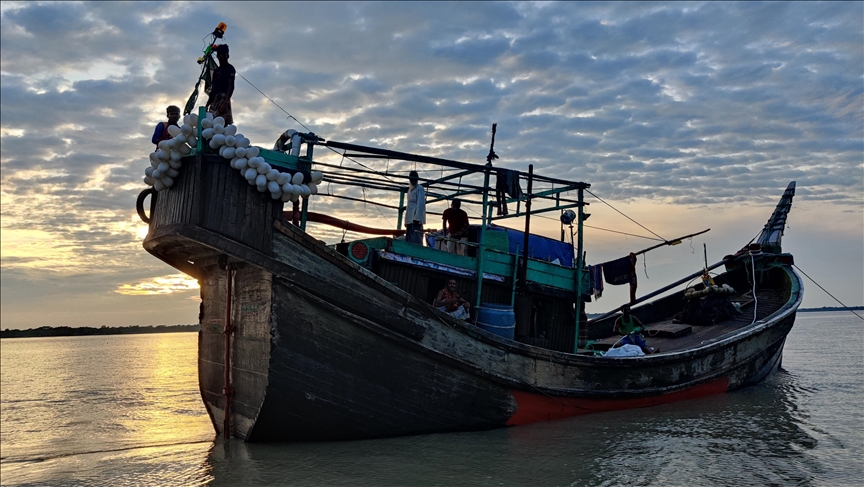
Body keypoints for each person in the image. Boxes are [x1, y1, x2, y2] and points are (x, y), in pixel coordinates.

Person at [206, 44, 235, 125]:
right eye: (219, 54)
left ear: (227, 56)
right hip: (215, 99)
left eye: (223, 54)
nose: (221, 56)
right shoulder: (216, 71)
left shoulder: (230, 68)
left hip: (224, 98)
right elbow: (213, 90)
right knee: (211, 122)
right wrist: (207, 104)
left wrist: (225, 103)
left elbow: (231, 86)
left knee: (223, 123)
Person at [404, 170, 426, 245]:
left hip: (415, 220)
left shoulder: (420, 188)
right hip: (409, 220)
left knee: (416, 241)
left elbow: (420, 204)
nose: (412, 180)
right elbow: (408, 206)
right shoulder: (409, 190)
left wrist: (417, 218)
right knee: (409, 241)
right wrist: (406, 221)